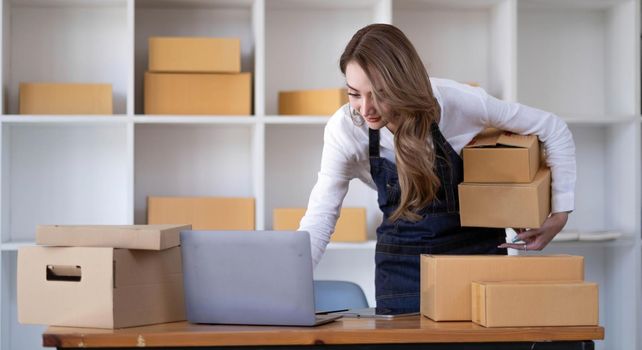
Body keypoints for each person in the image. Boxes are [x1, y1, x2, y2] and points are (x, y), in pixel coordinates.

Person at [298, 23, 575, 312]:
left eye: (380, 94)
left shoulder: (458, 102)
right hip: (401, 271)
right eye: (354, 94)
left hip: (476, 260)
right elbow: (321, 217)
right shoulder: (345, 129)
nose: (366, 108)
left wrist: (560, 212)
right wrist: (290, 280)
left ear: (403, 84)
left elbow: (552, 128)